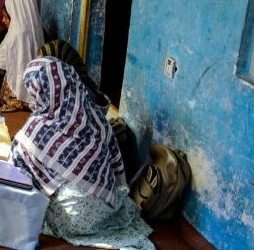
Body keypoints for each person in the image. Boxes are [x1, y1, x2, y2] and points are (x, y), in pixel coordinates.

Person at [11, 57, 154, 249]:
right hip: (105, 208)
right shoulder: (96, 116)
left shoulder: (36, 128)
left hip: (73, 221)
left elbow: (16, 171)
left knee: (38, 202)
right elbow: (114, 161)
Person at [0, 0, 44, 112]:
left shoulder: (18, 33)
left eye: (6, 16)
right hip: (35, 82)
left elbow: (3, 59)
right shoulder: (36, 27)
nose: (3, 20)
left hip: (21, 85)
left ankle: (19, 101)